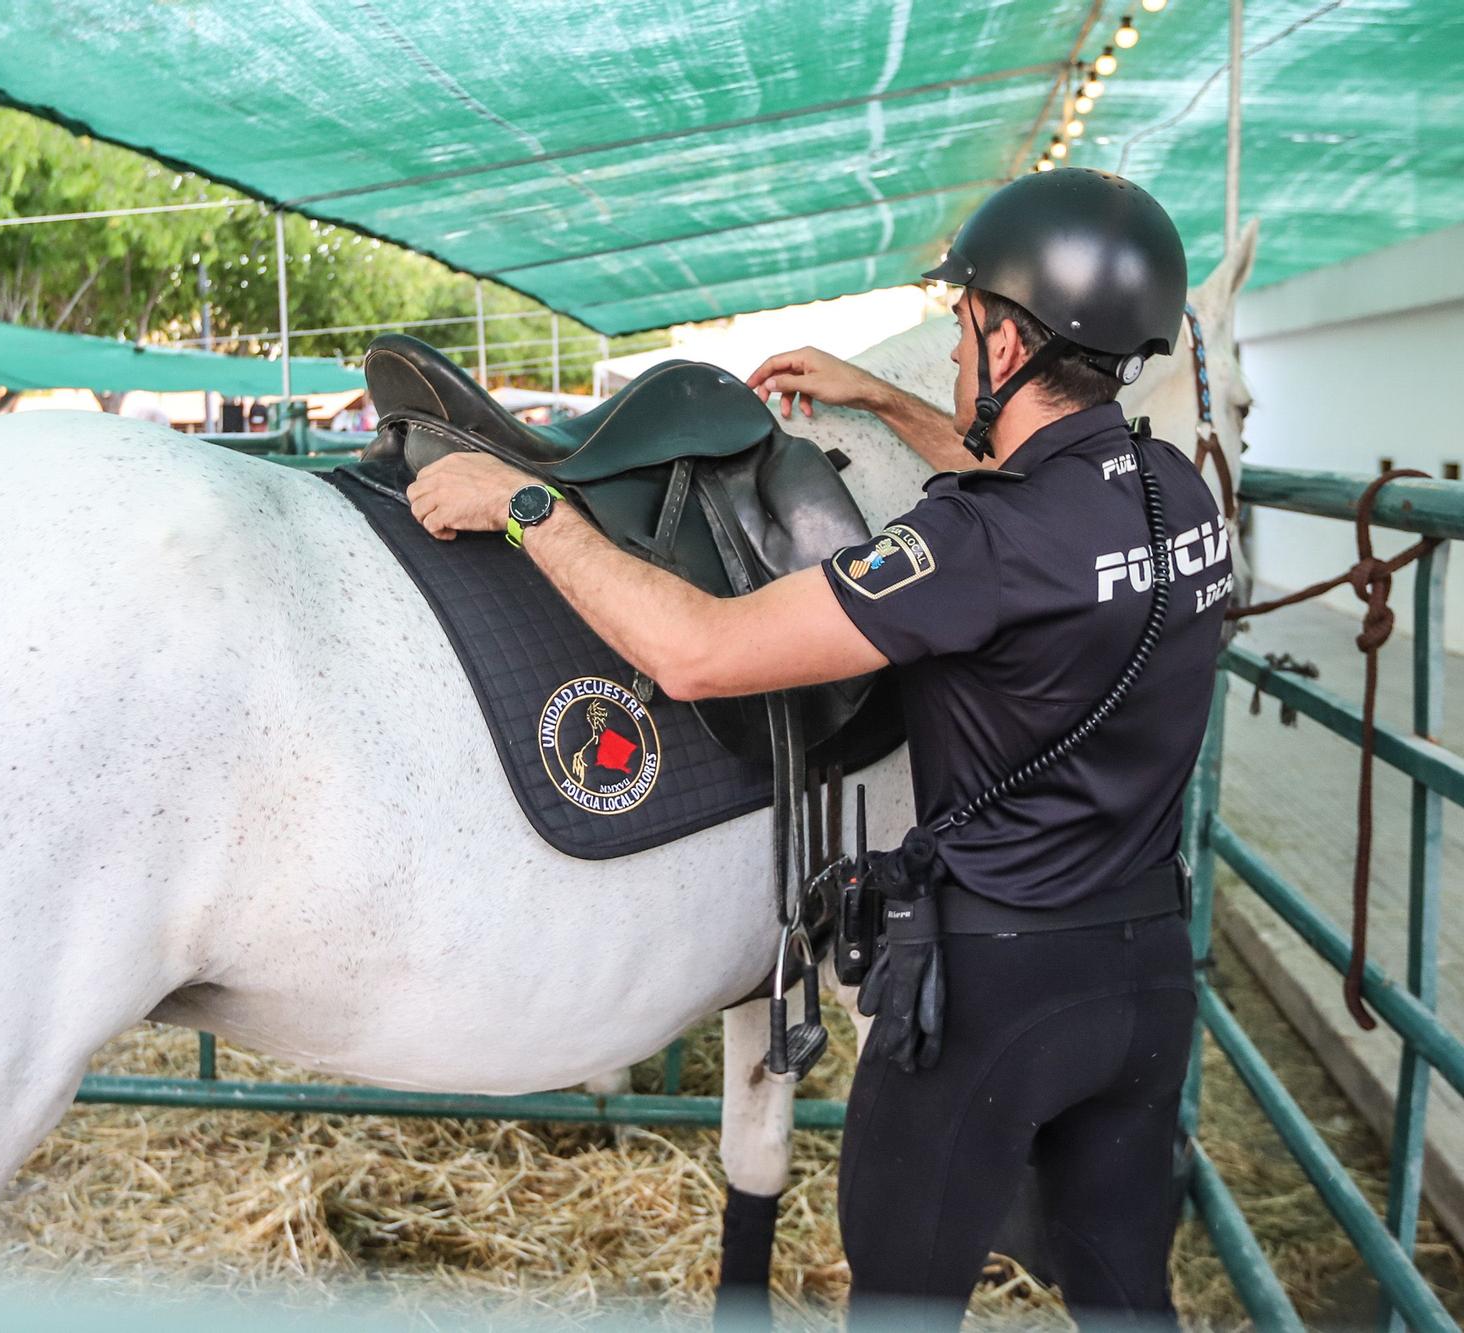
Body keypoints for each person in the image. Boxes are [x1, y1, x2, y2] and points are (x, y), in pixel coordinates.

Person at [404, 167, 1229, 1327]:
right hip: (1141, 987)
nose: (949, 359)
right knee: (1127, 1304)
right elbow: (1043, 498)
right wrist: (884, 404)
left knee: (898, 1306)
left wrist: (530, 509)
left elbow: (695, 650)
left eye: (958, 331)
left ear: (1003, 343)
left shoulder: (964, 546)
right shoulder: (1175, 498)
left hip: (987, 1001)